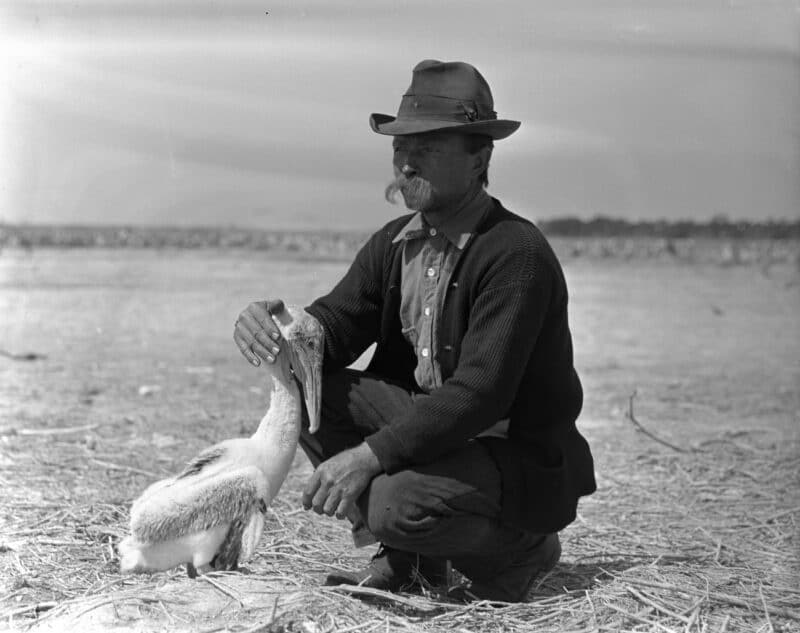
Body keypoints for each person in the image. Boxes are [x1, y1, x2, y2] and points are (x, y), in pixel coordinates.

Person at [233, 60, 596, 602]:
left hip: (511, 454)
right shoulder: (395, 243)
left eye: (427, 146)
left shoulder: (514, 253)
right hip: (434, 431)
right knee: (304, 392)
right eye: (401, 146)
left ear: (479, 158)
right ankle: (410, 565)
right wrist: (279, 330)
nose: (406, 161)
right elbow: (335, 326)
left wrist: (368, 457)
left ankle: (522, 549)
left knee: (393, 506)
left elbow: (479, 394)